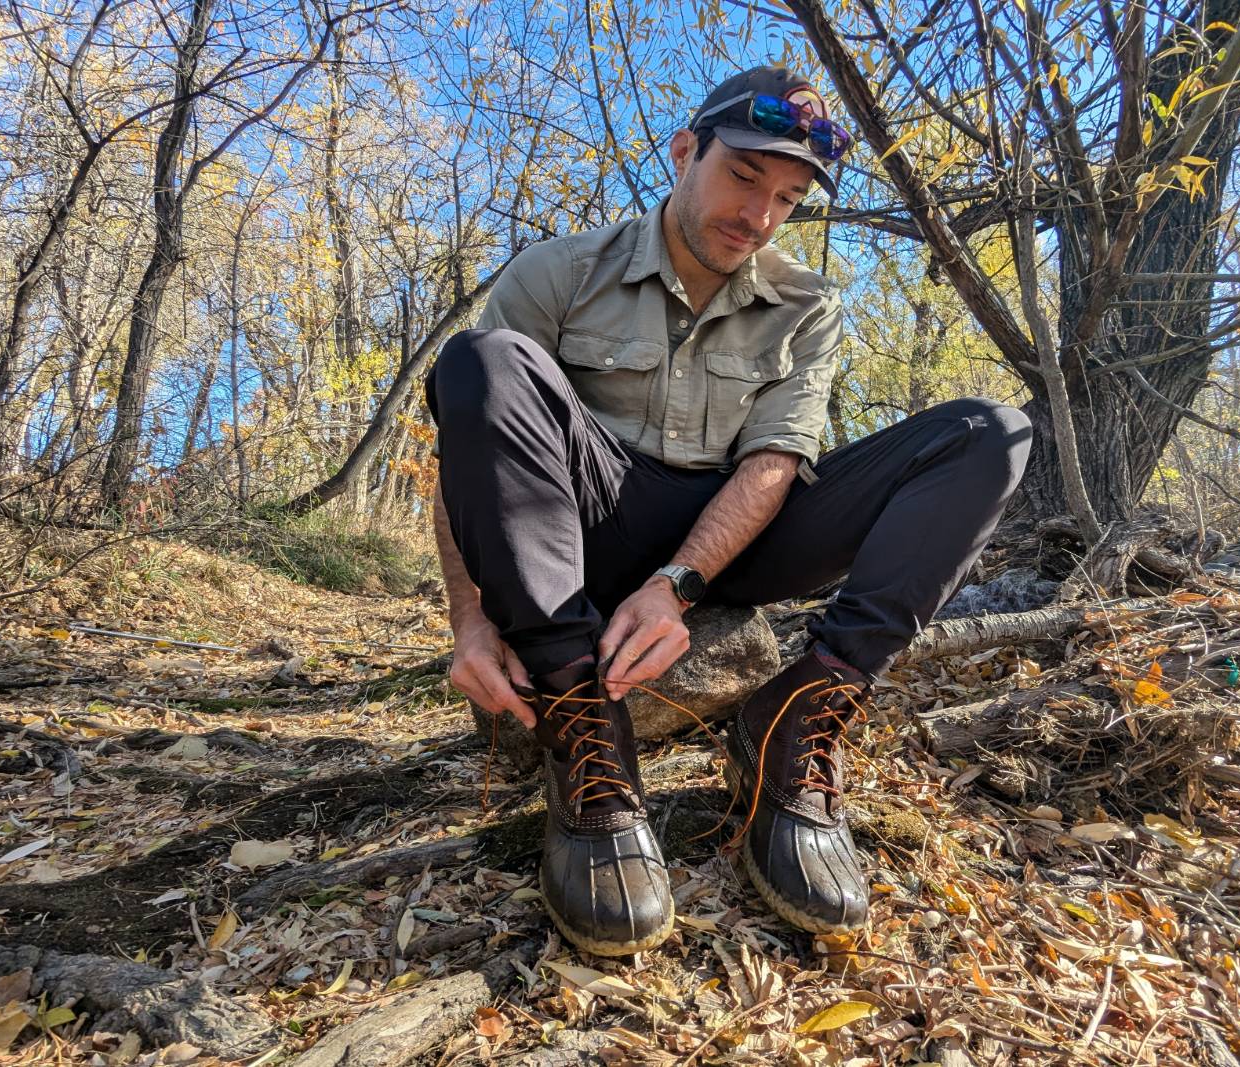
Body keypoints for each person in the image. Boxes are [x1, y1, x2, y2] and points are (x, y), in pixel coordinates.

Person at [426, 66, 1031, 956]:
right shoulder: (559, 273)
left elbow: (776, 461)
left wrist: (677, 585)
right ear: (686, 151)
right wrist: (470, 618)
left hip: (736, 535)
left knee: (993, 431)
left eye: (787, 197)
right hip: (586, 524)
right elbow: (472, 448)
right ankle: (583, 721)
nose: (759, 214)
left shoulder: (807, 306)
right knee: (476, 360)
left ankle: (800, 713)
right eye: (745, 175)